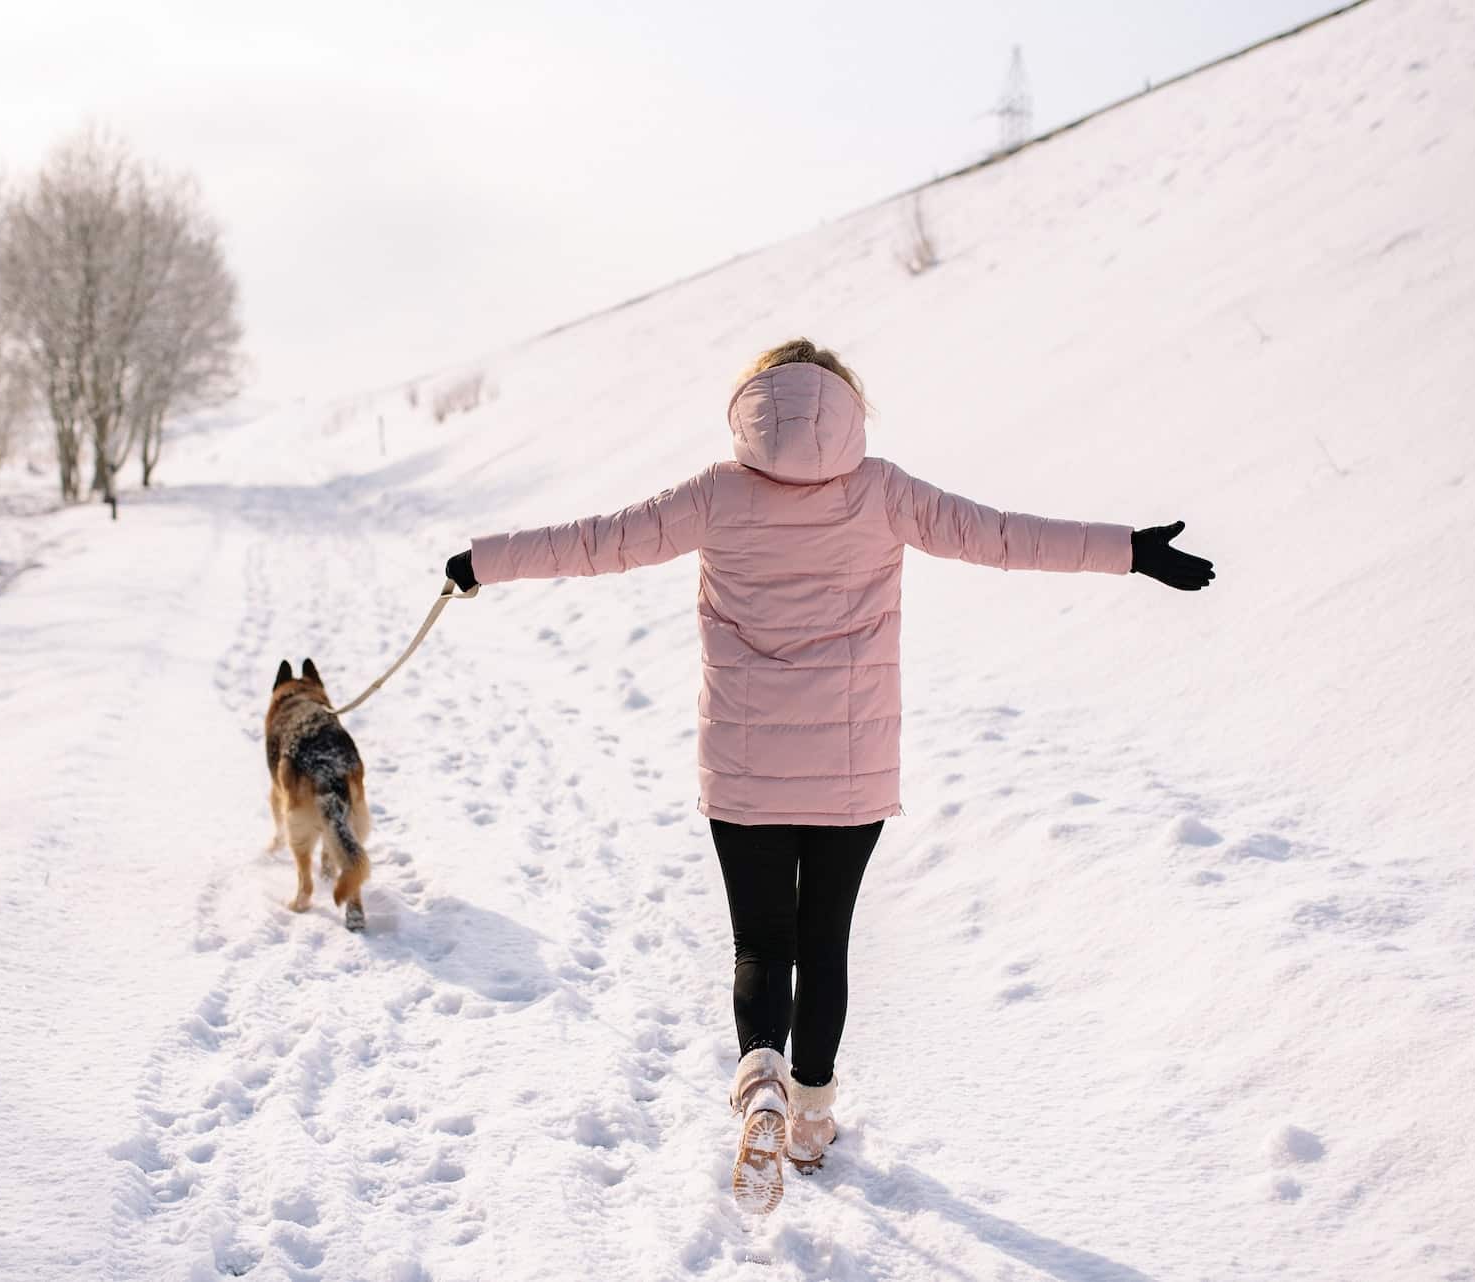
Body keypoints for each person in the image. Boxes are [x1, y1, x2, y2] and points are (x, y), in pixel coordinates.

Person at [442, 338, 1214, 1214]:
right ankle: (810, 1122)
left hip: (743, 766)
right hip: (850, 769)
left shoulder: (715, 493)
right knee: (825, 942)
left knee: (760, 944)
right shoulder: (884, 491)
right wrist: (1129, 550)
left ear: (753, 407)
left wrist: (481, 563)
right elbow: (1003, 537)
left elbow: (594, 544)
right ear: (847, 408)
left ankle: (759, 1077)